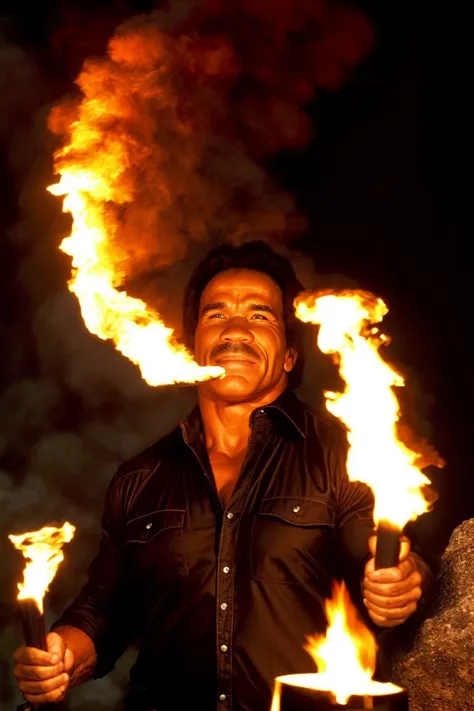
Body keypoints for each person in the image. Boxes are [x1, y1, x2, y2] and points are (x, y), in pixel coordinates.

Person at [13, 242, 433, 711]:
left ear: (290, 354)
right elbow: (107, 609)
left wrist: (401, 583)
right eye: (216, 315)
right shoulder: (140, 477)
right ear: (191, 343)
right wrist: (65, 656)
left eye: (260, 316)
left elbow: (385, 568)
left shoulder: (352, 457)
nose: (235, 330)